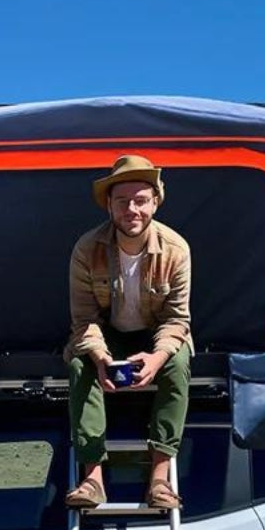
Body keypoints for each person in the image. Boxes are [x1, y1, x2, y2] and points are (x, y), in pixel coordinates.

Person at [64, 155, 193, 509]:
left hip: (156, 335)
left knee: (178, 365)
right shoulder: (87, 249)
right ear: (109, 205)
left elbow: (177, 319)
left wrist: (158, 356)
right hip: (108, 334)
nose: (131, 209)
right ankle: (92, 477)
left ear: (155, 202)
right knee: (79, 366)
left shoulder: (176, 249)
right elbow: (84, 318)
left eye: (140, 200)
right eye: (122, 201)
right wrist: (101, 357)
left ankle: (160, 478)